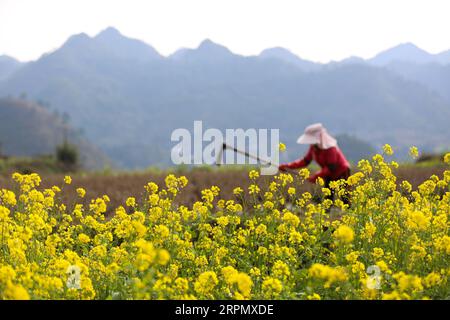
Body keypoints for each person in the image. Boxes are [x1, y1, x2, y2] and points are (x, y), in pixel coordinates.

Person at [279, 123, 351, 204]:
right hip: (328, 174)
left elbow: (332, 167)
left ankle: (349, 213)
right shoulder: (314, 147)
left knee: (344, 196)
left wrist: (316, 176)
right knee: (328, 196)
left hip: (341, 171)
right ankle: (327, 214)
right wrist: (287, 166)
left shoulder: (331, 148)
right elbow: (305, 161)